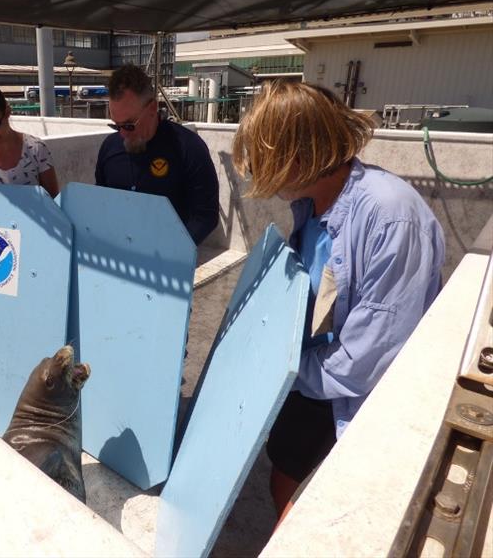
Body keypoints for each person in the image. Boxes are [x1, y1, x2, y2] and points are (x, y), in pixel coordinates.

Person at [232, 81, 445, 522]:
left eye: (268, 162)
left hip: (354, 395)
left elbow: (369, 361)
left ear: (301, 155)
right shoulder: (313, 205)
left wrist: (277, 372)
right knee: (284, 474)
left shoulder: (391, 218)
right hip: (314, 372)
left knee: (331, 515)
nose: (262, 177)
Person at [95, 65, 219, 246]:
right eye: (116, 126)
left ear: (152, 108)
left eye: (129, 125)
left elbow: (206, 215)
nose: (122, 134)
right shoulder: (109, 148)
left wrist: (173, 252)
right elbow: (101, 202)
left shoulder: (189, 148)